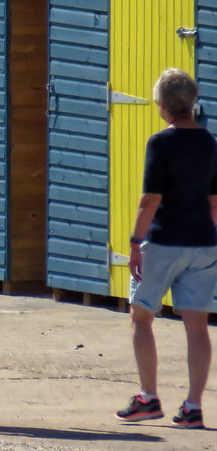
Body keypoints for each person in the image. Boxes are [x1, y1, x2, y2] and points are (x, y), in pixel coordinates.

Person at [116, 69, 217, 430]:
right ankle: (192, 406)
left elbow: (150, 199)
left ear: (162, 105)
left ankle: (148, 396)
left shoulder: (160, 143)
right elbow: (214, 201)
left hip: (164, 241)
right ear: (192, 102)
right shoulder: (209, 142)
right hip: (203, 243)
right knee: (197, 326)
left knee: (141, 316)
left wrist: (134, 242)